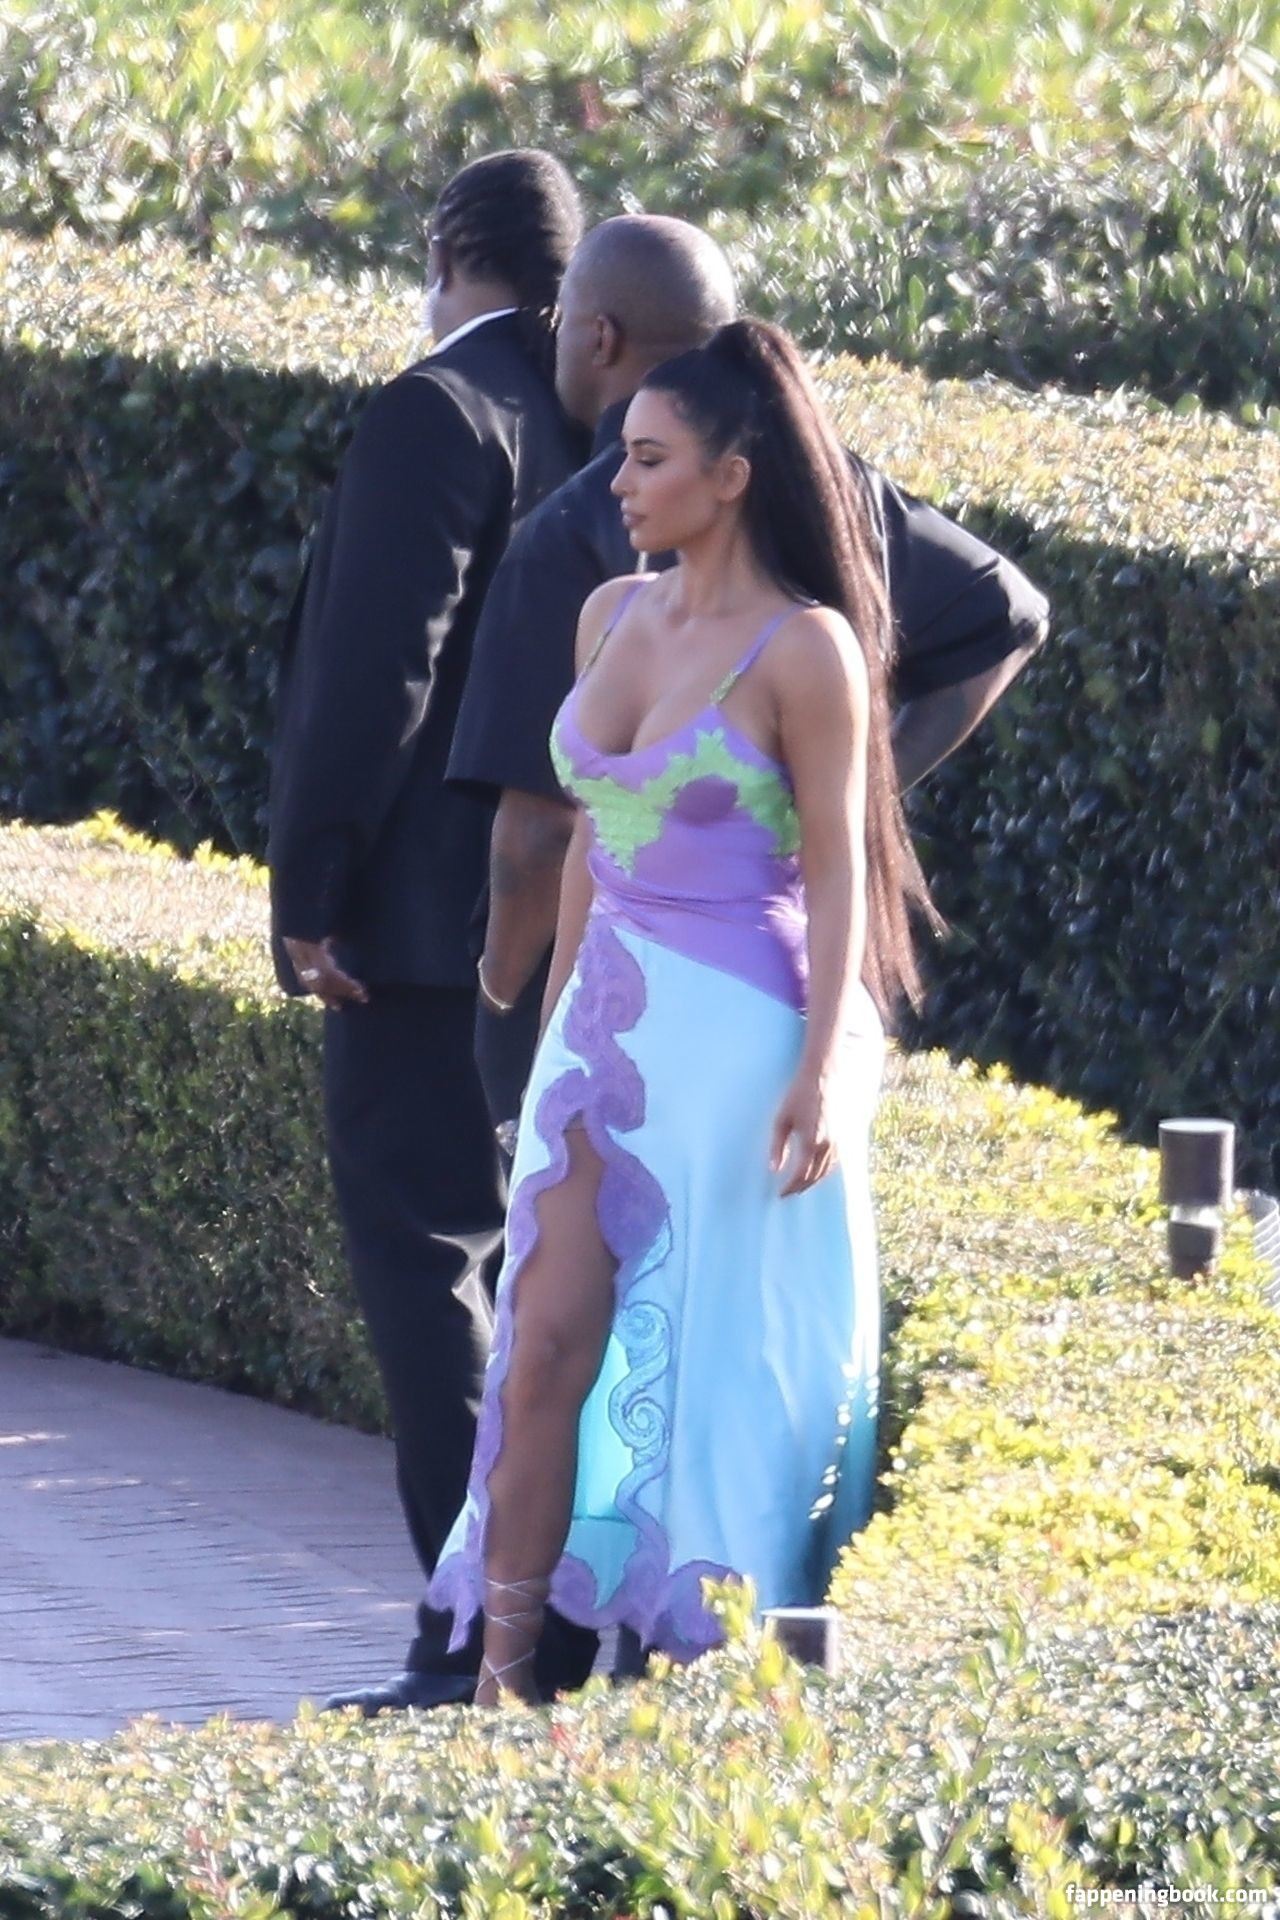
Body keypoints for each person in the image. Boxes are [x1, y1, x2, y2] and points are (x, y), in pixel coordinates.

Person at [428, 317, 935, 1701]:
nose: (620, 484)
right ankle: (502, 1689)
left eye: (649, 460)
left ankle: (705, 1691)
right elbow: (587, 838)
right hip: (604, 1033)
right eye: (622, 458)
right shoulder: (610, 614)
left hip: (738, 1044)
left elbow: (838, 871)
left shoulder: (806, 649)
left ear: (732, 474)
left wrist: (822, 1070)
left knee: (712, 1380)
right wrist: (551, 1035)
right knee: (539, 1352)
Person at [448, 216, 1050, 1135]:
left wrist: (496, 990)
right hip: (658, 988)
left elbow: (535, 830)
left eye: (652, 460)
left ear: (600, 336)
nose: (627, 483)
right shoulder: (813, 495)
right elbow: (1003, 611)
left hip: (698, 1012)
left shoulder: (568, 541)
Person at [266, 149, 600, 1715]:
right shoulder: (596, 423)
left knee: (430, 1275)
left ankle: (473, 1634)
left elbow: (375, 675)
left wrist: (308, 891)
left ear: (448, 247)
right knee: (543, 1277)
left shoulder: (437, 409)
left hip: (414, 934)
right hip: (574, 918)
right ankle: (552, 1627)